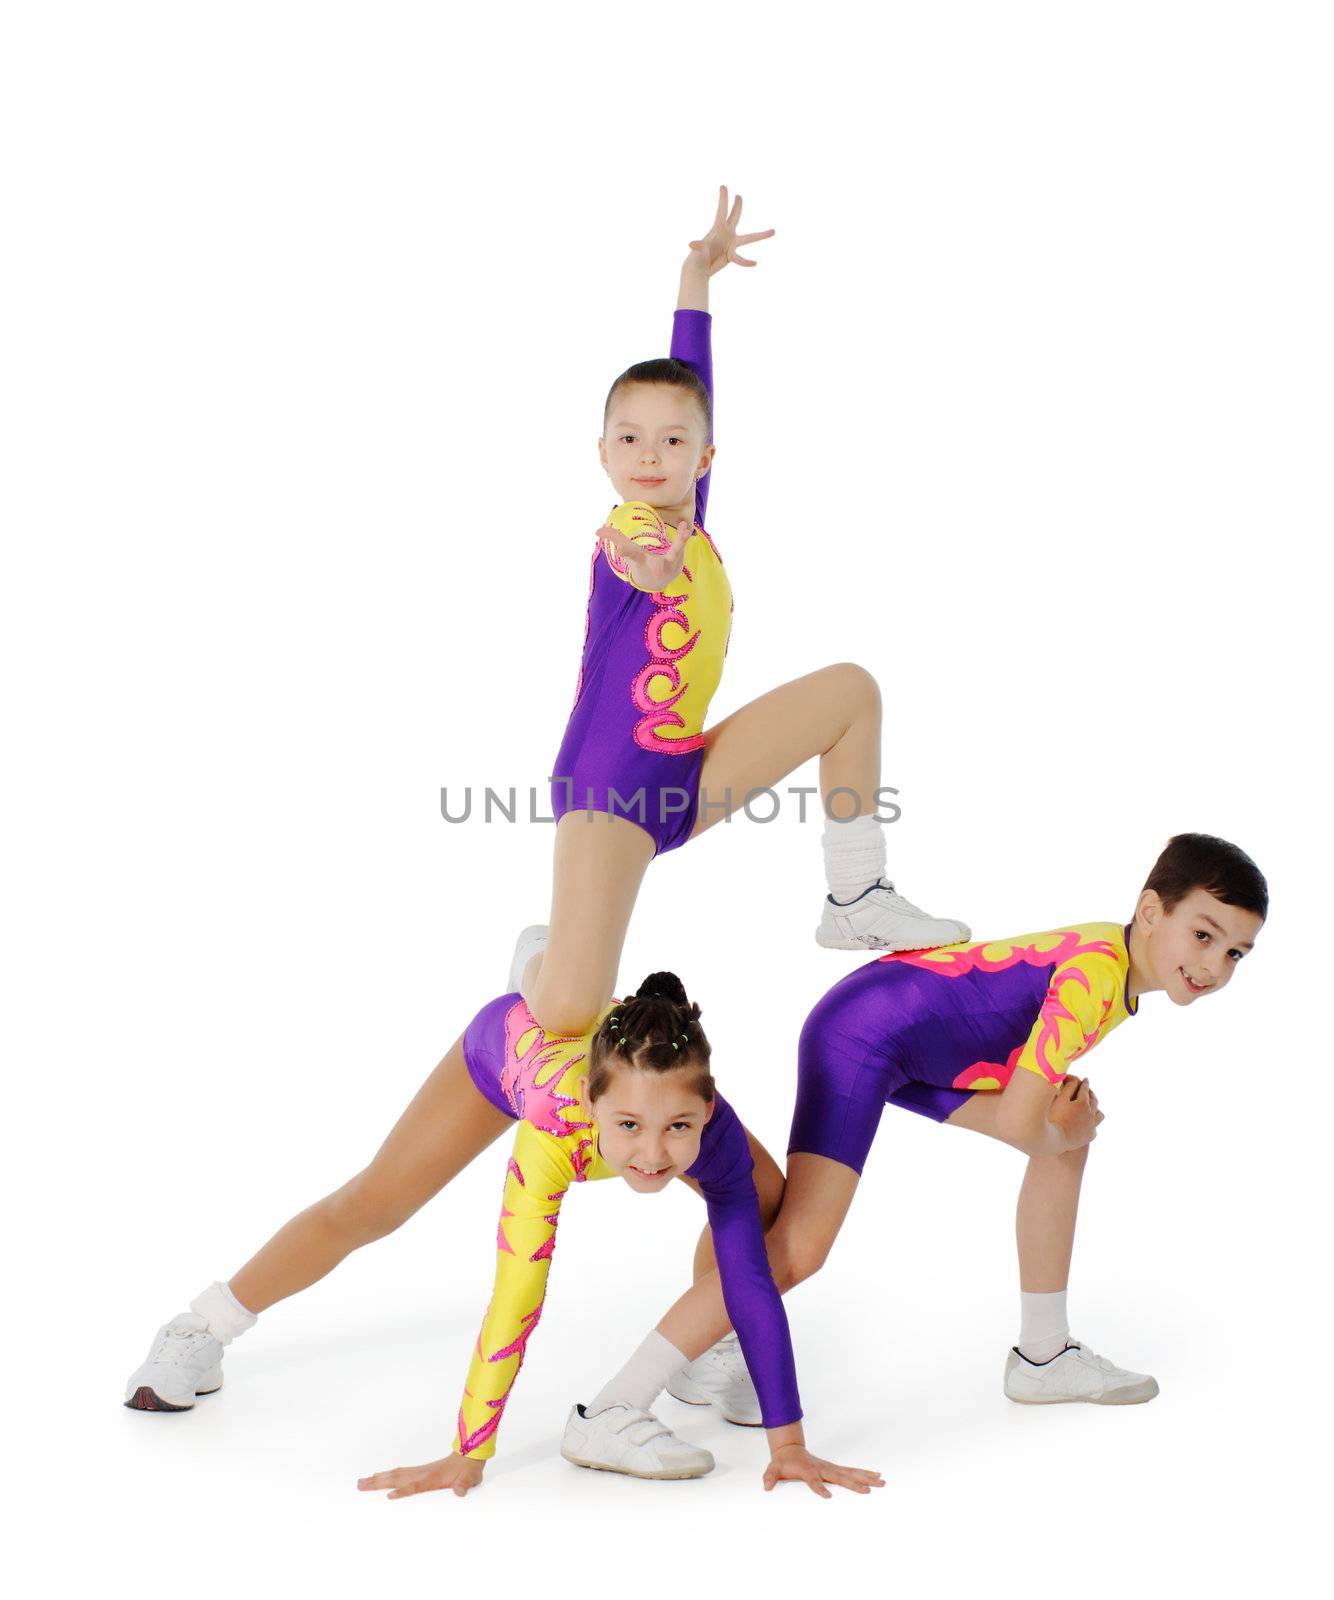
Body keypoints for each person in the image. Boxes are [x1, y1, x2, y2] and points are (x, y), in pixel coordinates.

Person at [124, 968, 884, 1500]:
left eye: (677, 1127)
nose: (654, 1156)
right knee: (373, 1204)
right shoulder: (550, 1138)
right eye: (629, 1129)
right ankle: (203, 1326)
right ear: (593, 1105)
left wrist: (789, 1446)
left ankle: (705, 1354)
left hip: (617, 1052)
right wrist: (470, 1451)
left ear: (706, 1106)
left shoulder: (702, 1128)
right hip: (504, 1053)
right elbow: (515, 1299)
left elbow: (749, 1272)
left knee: (764, 1200)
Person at [585, 834, 1266, 1420]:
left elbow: (1026, 1113)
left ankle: (1044, 1353)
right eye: (1203, 934)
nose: (1213, 965)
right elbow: (1022, 1121)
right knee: (801, 1247)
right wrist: (1059, 1128)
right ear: (1151, 912)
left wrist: (1061, 1132)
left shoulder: (1114, 970)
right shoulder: (1095, 976)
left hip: (911, 1044)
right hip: (865, 1035)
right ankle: (621, 1400)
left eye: (1236, 952)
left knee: (1067, 1144)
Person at [515, 186, 968, 1043]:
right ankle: (538, 958)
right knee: (571, 1008)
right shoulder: (630, 528)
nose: (650, 455)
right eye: (629, 440)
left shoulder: (692, 506)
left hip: (684, 775)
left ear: (705, 453)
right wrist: (648, 563)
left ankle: (856, 898)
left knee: (850, 692)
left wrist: (697, 277)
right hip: (607, 789)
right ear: (603, 452)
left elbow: (694, 386)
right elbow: (633, 554)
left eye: (673, 441)